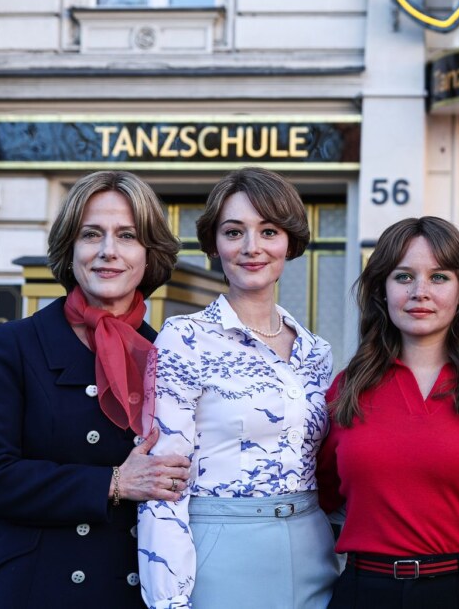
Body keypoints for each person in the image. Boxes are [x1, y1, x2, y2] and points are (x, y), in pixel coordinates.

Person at [0, 171, 190, 608]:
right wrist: (113, 483)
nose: (108, 251)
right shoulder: (15, 344)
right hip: (31, 588)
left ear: (149, 254)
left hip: (128, 587)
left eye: (127, 236)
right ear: (70, 249)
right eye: (91, 234)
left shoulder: (170, 353)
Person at [138, 167, 337, 608]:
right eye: (234, 232)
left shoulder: (316, 352)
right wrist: (168, 599)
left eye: (269, 231)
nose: (252, 247)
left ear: (289, 242)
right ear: (214, 244)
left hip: (313, 548)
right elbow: (163, 483)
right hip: (220, 550)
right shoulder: (184, 339)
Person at [317, 216, 459, 609]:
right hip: (366, 592)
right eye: (403, 277)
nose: (420, 292)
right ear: (381, 291)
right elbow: (320, 500)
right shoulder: (345, 390)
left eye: (439, 277)